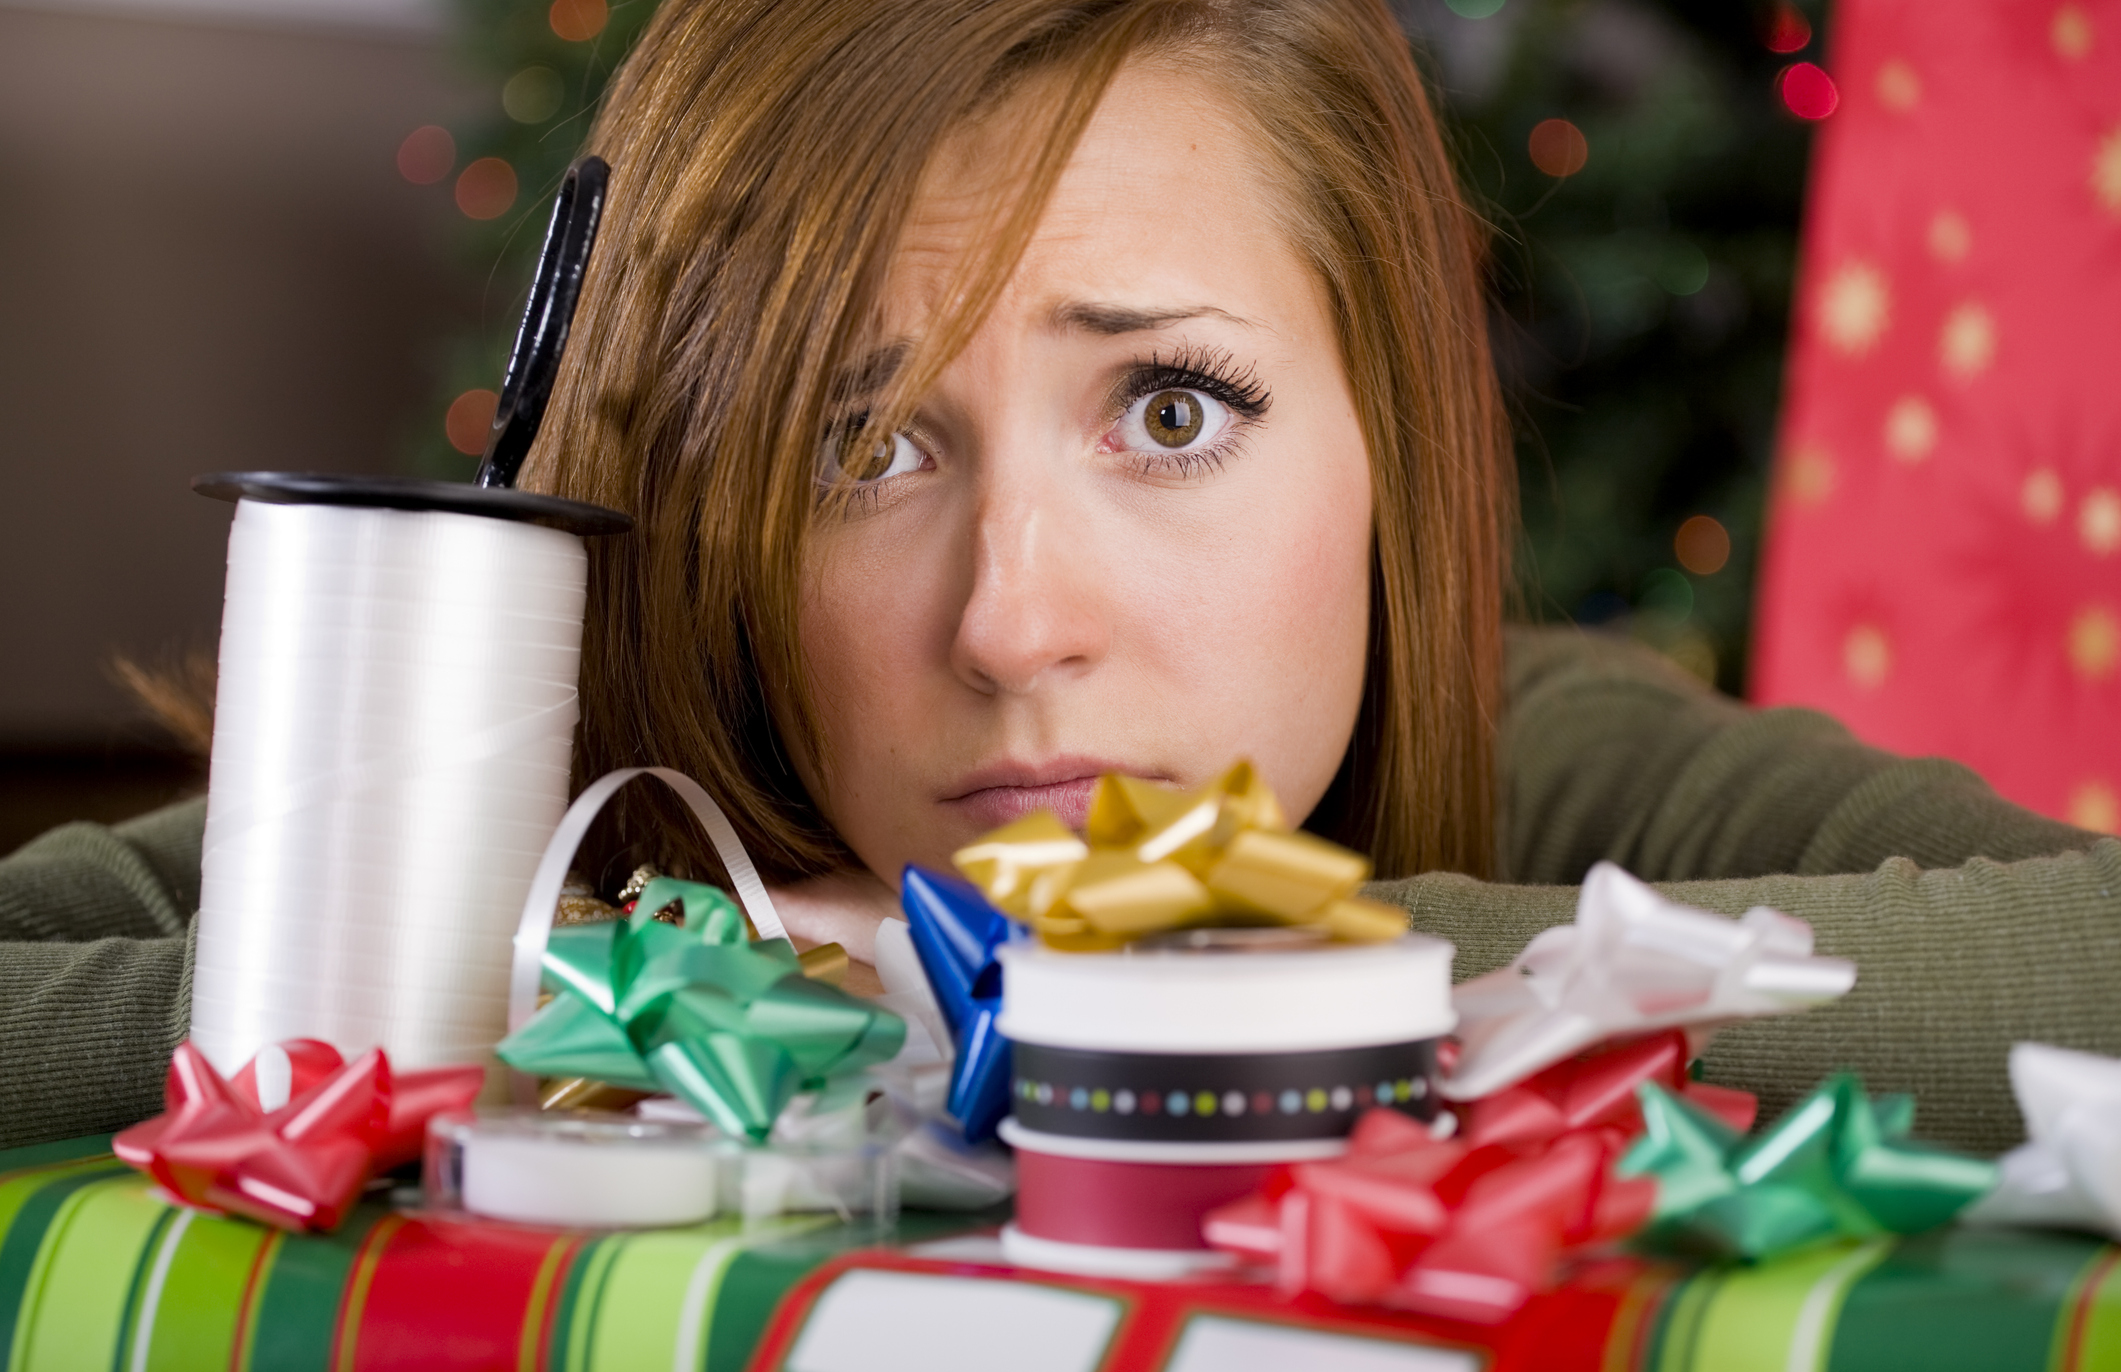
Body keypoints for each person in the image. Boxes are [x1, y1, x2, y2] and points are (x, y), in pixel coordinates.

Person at [3, 0, 2114, 1157]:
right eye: (863, 442)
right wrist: (623, 998)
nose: (1013, 622)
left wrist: (1282, 976)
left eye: (1171, 410)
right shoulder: (585, 800)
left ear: (1391, 442)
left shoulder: (1545, 759)